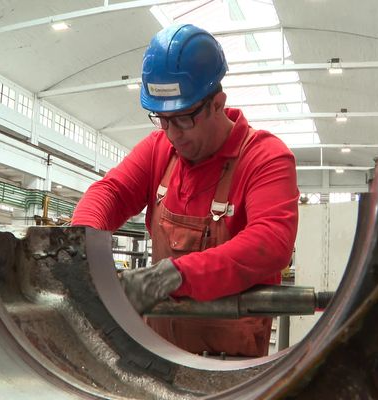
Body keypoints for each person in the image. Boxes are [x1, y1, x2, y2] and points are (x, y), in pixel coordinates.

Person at [72, 24, 299, 357]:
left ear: (217, 103)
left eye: (183, 119)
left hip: (231, 368)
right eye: (161, 119)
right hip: (157, 357)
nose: (172, 133)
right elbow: (111, 193)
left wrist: (175, 276)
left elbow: (271, 242)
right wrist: (78, 245)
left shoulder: (265, 156)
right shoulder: (158, 150)